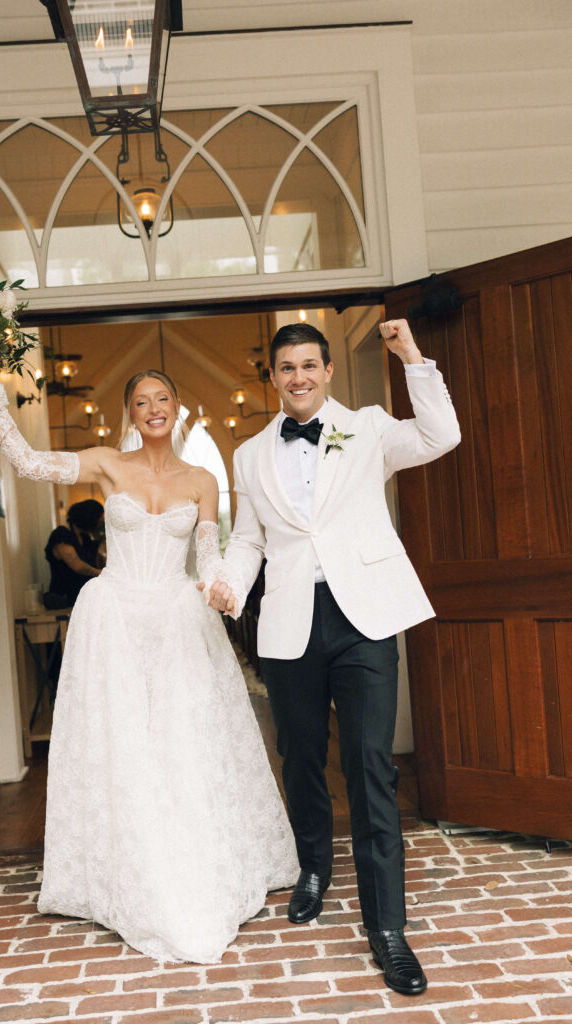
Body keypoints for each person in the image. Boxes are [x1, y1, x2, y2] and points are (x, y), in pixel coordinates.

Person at [0, 364, 298, 964]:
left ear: (176, 406)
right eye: (141, 401)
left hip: (174, 616)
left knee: (181, 739)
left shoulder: (201, 481)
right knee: (120, 742)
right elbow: (33, 464)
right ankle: (123, 865)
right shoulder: (105, 463)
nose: (153, 408)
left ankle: (188, 856)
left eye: (162, 397)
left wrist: (222, 588)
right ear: (131, 413)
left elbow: (209, 556)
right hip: (112, 616)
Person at [204, 319, 461, 995]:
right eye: (285, 368)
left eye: (308, 365)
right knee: (300, 754)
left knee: (372, 766)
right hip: (290, 618)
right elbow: (250, 539)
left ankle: (387, 929)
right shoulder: (250, 453)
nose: (298, 377)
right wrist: (230, 581)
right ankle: (313, 866)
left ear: (327, 371)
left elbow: (442, 435)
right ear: (272, 376)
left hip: (364, 616)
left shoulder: (369, 427)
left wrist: (411, 357)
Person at [43, 499, 104, 609]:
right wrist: (99, 573)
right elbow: (78, 566)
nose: (99, 525)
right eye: (99, 522)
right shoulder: (61, 534)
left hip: (83, 599)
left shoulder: (86, 539)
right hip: (63, 600)